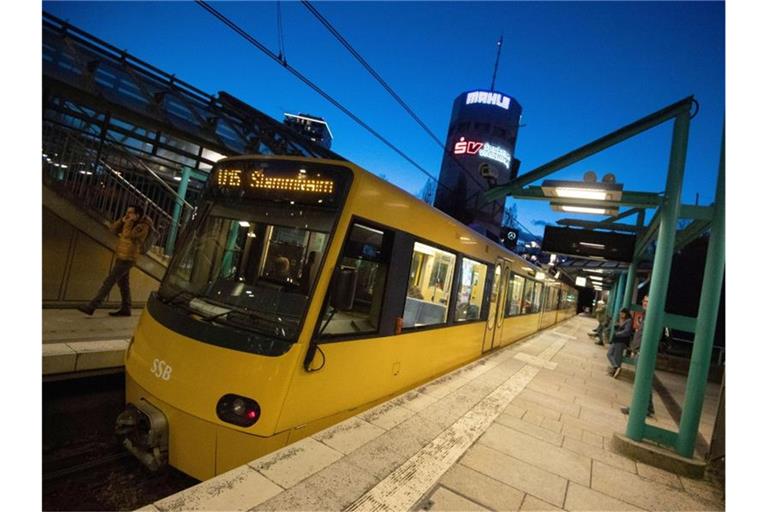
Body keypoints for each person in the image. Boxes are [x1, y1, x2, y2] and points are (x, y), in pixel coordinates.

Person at [77, 205, 153, 317]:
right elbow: (112, 229)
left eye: (130, 213)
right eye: (127, 212)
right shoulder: (128, 221)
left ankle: (92, 306)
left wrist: (128, 223)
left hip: (128, 258)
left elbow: (129, 236)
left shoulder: (143, 226)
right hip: (121, 255)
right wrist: (121, 221)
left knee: (109, 281)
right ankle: (126, 308)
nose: (128, 215)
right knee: (123, 284)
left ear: (137, 215)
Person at [621, 295, 655, 417]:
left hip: (643, 352)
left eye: (647, 301)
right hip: (640, 351)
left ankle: (639, 408)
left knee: (641, 380)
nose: (645, 303)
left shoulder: (651, 316)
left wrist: (639, 350)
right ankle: (648, 407)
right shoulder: (646, 315)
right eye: (644, 300)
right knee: (645, 380)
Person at [607, 308, 632, 378]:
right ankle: (615, 367)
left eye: (623, 313)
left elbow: (627, 331)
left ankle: (615, 370)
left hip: (621, 341)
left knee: (617, 356)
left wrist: (618, 333)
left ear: (626, 314)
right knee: (609, 354)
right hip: (616, 340)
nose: (621, 314)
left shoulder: (629, 321)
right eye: (621, 313)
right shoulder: (621, 320)